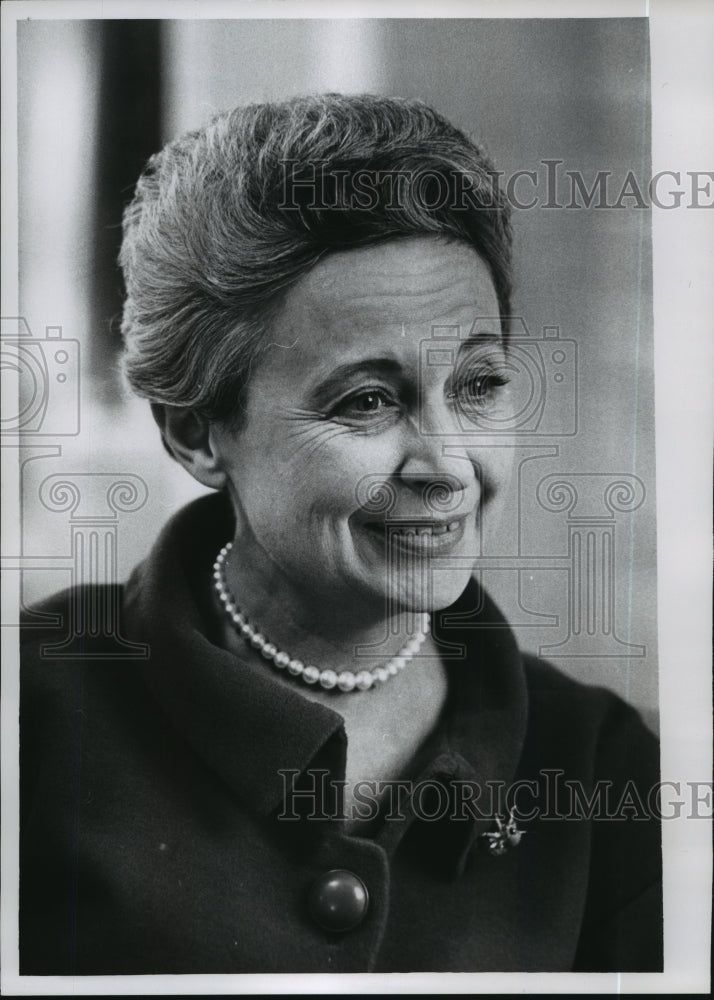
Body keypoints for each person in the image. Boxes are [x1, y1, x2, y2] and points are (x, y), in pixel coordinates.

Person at [19, 93, 662, 974]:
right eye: (368, 400)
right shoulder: (34, 718)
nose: (447, 464)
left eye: (477, 386)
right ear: (197, 432)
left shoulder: (604, 770)